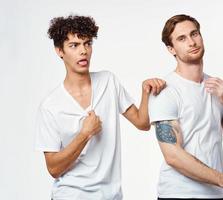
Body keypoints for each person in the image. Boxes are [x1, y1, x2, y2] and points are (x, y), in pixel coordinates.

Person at [35, 15, 166, 200]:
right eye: (74, 45)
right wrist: (84, 134)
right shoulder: (51, 106)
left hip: (111, 195)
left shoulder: (108, 82)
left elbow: (142, 123)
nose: (83, 51)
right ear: (59, 51)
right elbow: (53, 169)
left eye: (87, 44)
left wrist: (145, 93)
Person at [149, 14, 223, 200]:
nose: (192, 42)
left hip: (218, 193)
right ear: (171, 49)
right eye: (182, 38)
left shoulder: (216, 87)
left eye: (194, 34)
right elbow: (173, 156)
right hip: (179, 194)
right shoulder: (166, 90)